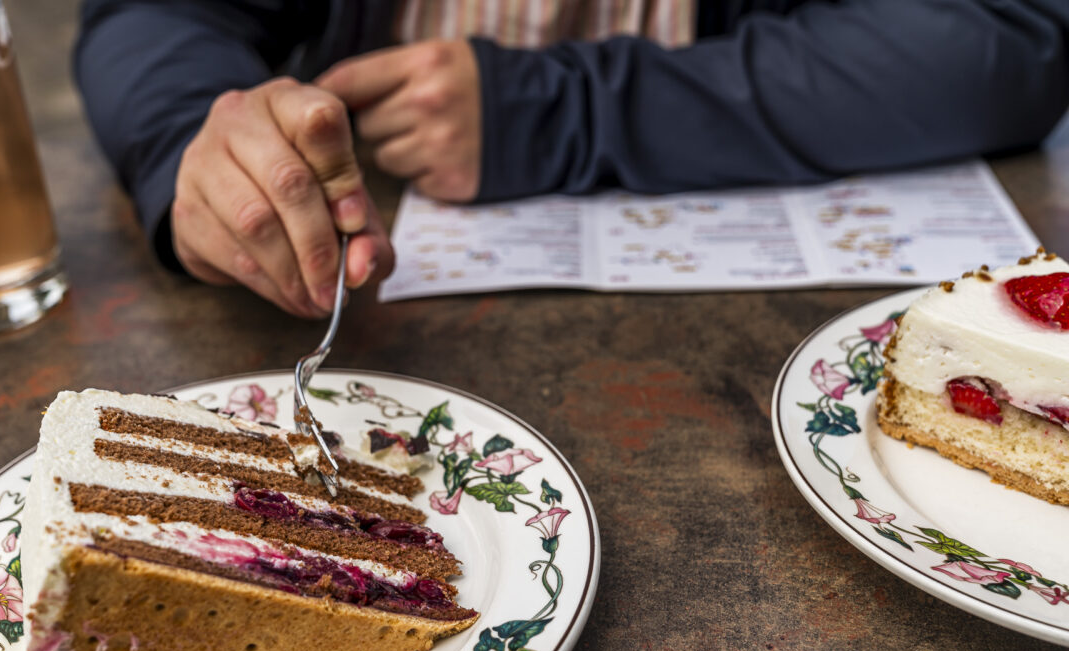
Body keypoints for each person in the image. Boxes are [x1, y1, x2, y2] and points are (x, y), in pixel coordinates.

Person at [74, 0, 1069, 318]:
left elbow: (1003, 41)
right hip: (372, 297)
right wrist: (192, 144)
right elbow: (152, 18)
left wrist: (562, 111)